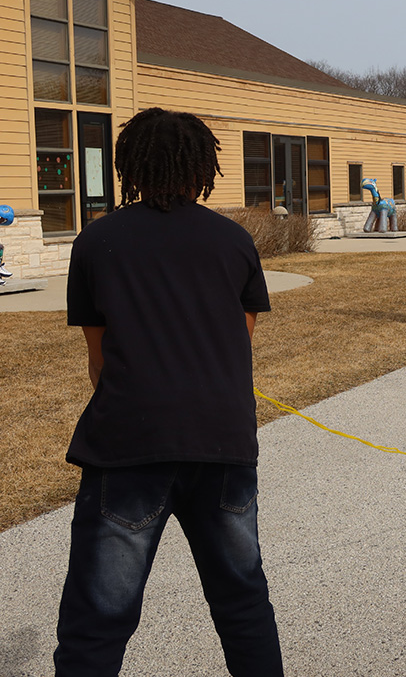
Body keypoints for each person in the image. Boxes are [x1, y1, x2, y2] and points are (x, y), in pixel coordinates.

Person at [54, 108, 284, 677]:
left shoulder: (97, 240)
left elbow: (98, 357)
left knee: (98, 618)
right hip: (223, 442)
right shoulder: (233, 241)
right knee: (242, 602)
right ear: (201, 167)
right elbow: (241, 338)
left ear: (130, 164)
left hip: (129, 443)